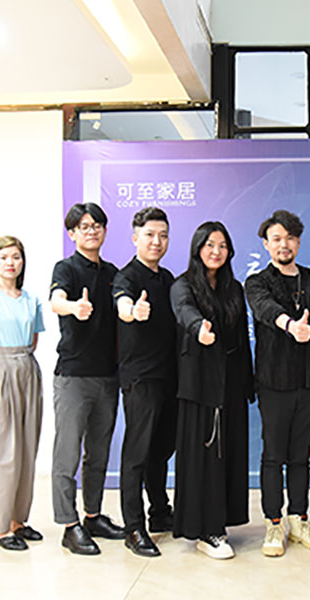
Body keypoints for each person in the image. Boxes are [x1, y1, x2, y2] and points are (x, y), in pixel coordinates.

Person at [245, 209, 310, 558]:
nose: (284, 244)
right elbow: (264, 309)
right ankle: (274, 523)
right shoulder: (257, 282)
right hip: (273, 383)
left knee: (301, 457)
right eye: (276, 239)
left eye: (290, 238)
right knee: (273, 456)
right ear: (266, 244)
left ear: (298, 242)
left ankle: (299, 520)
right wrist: (290, 325)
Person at [170, 221, 253, 560]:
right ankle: (204, 529)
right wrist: (198, 329)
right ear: (197, 249)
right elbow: (184, 311)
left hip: (230, 382)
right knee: (203, 456)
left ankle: (221, 522)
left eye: (222, 245)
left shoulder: (234, 288)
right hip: (200, 384)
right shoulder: (183, 285)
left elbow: (243, 336)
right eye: (209, 245)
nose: (216, 251)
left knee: (228, 453)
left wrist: (248, 382)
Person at [49, 202, 125, 555]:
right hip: (73, 376)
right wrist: (73, 308)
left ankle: (93, 515)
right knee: (67, 454)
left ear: (105, 231)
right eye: (84, 226)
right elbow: (56, 300)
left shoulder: (112, 273)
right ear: (72, 233)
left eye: (97, 225)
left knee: (98, 453)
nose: (91, 231)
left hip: (108, 377)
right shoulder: (66, 268)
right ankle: (69, 524)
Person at [112, 207, 178, 557]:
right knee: (137, 454)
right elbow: (122, 304)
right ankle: (133, 527)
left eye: (163, 235)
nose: (157, 241)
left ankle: (160, 512)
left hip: (170, 377)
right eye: (150, 235)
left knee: (161, 450)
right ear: (135, 237)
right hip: (141, 378)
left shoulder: (167, 279)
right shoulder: (126, 277)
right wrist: (132, 311)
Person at [0, 236, 46, 551]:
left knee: (27, 448)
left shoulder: (31, 299)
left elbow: (33, 341)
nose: (10, 263)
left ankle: (18, 520)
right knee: (1, 450)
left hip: (27, 367)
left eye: (16, 257)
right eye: (4, 257)